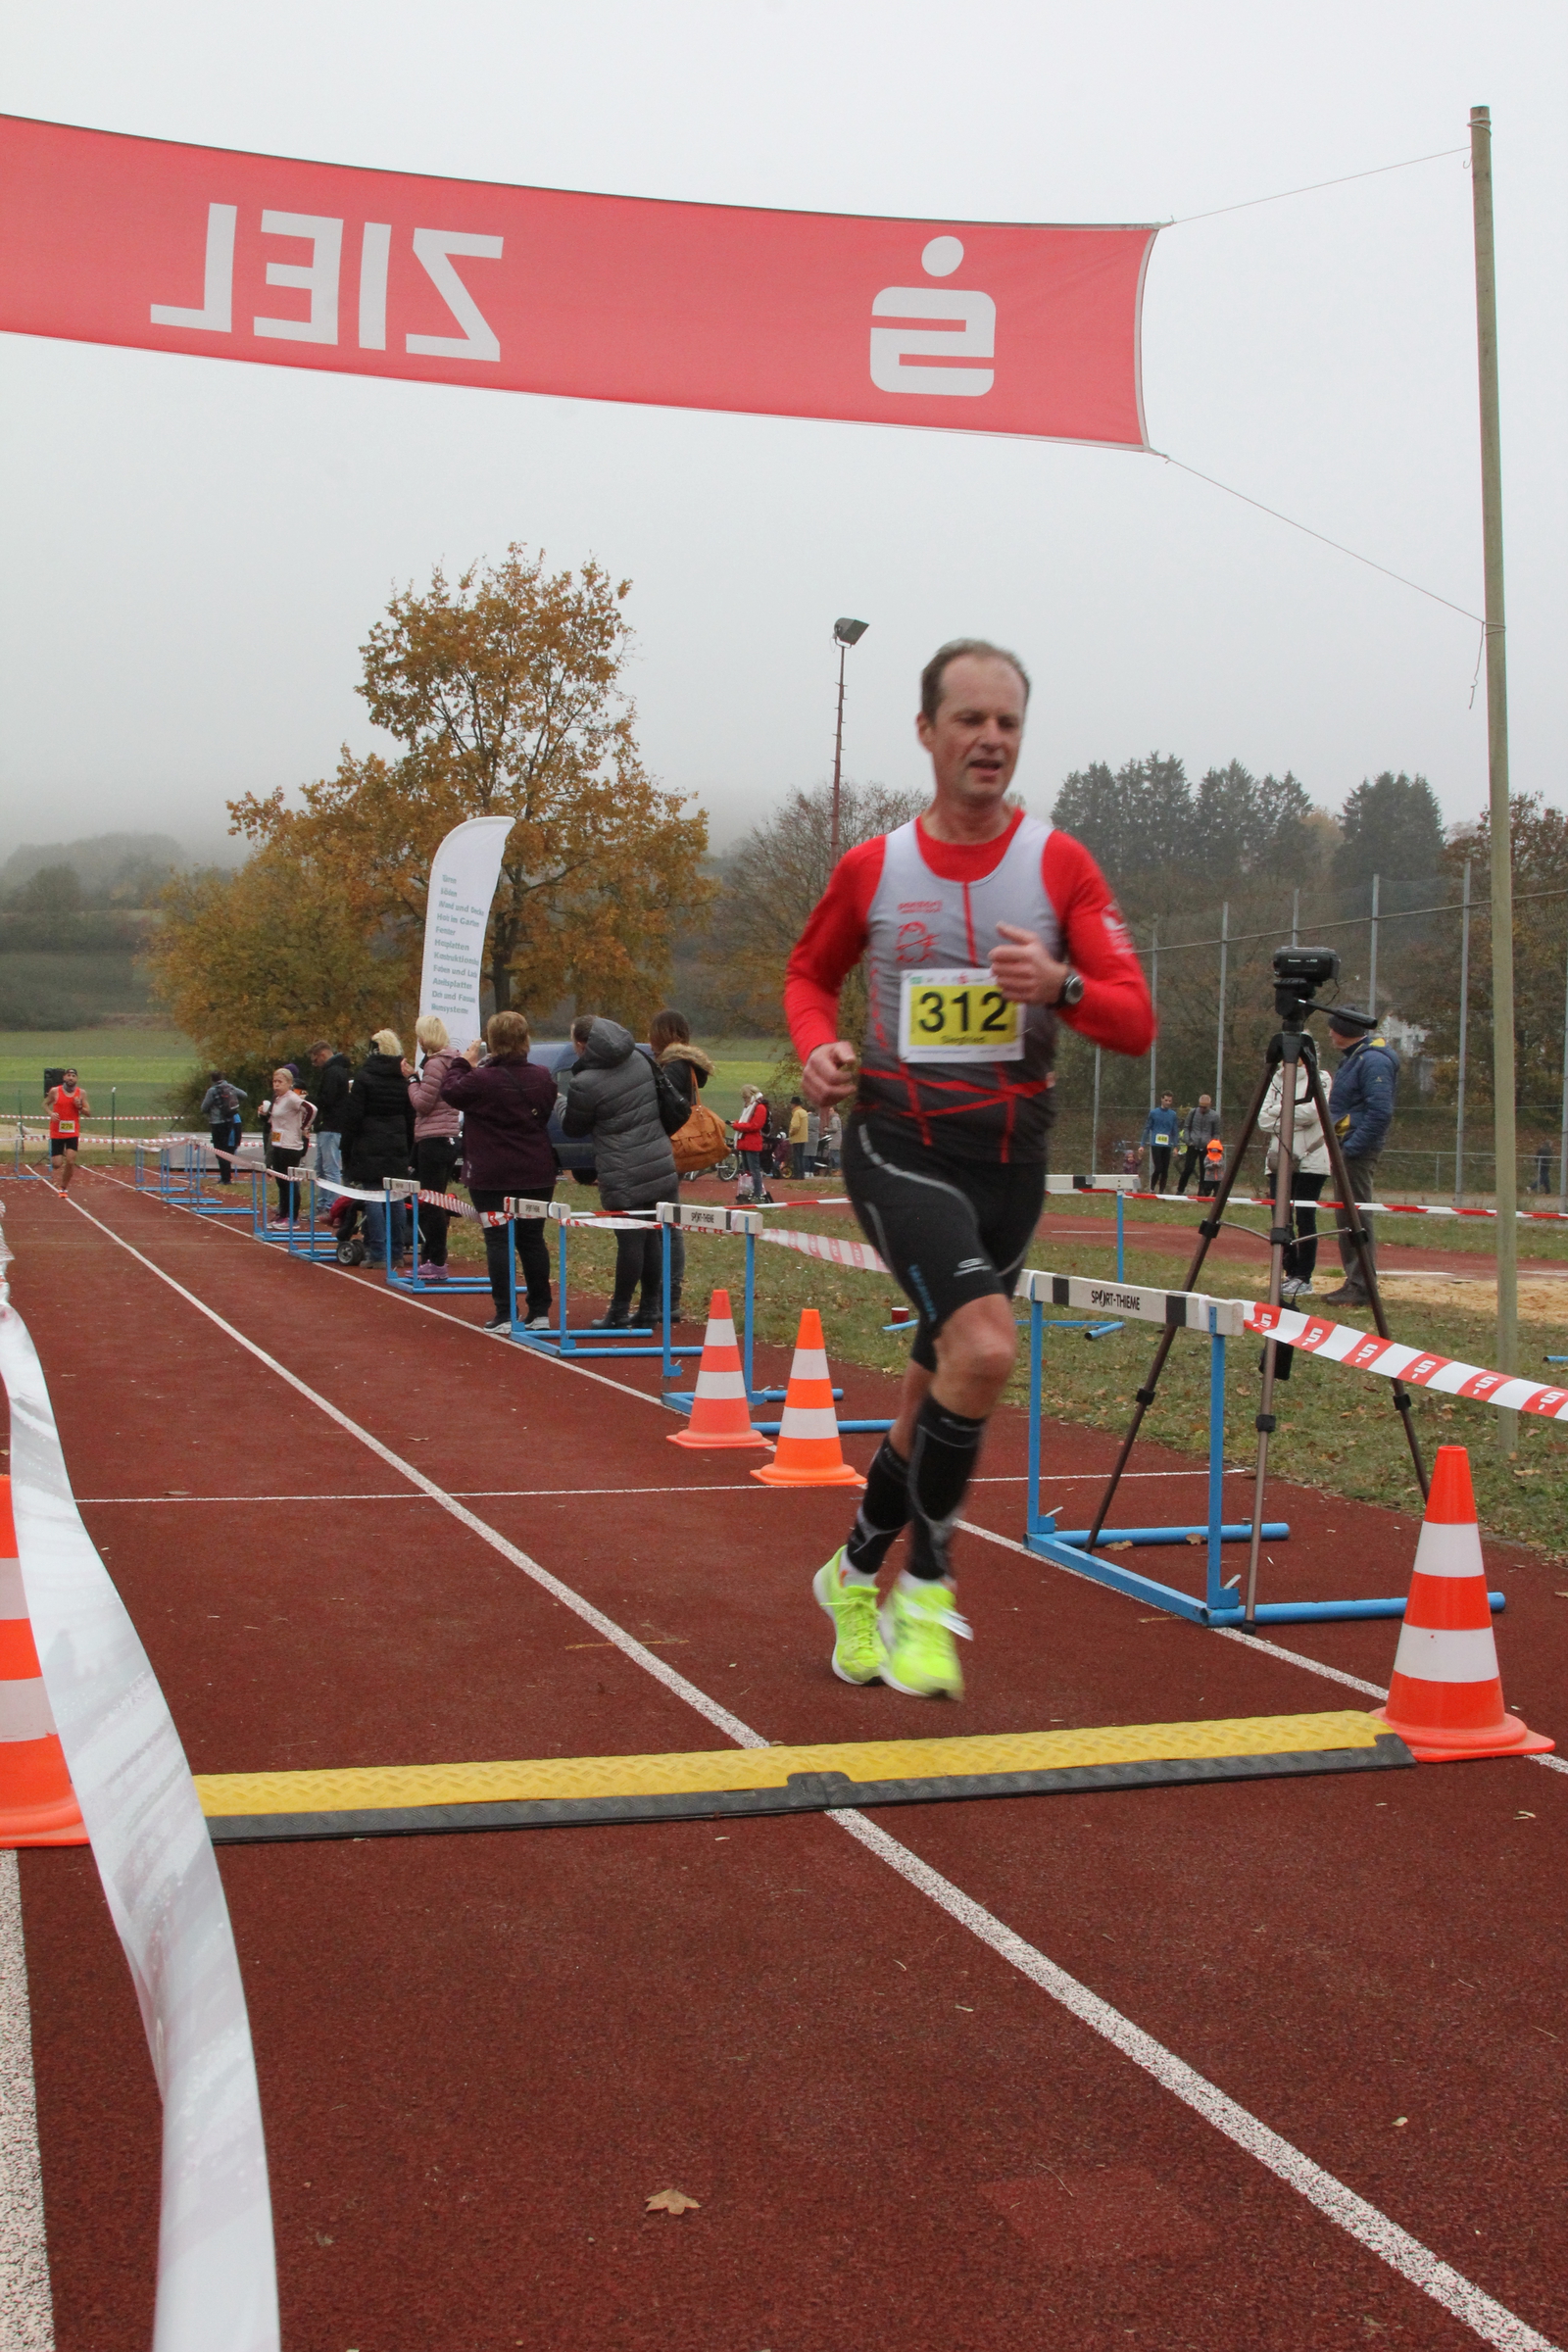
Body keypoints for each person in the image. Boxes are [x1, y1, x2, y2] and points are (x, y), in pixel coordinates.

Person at [788, 636, 1153, 1698]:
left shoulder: (1059, 865)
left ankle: (852, 1572)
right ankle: (926, 1590)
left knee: (938, 1387)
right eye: (969, 720)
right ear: (927, 732)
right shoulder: (873, 867)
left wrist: (1062, 986)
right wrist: (816, 1048)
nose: (990, 739)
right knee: (986, 1348)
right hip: (899, 1146)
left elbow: (1133, 1020)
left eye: (1007, 723)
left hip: (1011, 1165)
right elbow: (809, 975)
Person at [440, 1012, 557, 1329]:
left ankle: (505, 1312)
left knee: (498, 1239)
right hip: (535, 1170)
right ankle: (540, 1312)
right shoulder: (543, 1076)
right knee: (532, 1239)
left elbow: (450, 1092)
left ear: (492, 1041)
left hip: (492, 1173)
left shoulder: (481, 1080)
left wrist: (462, 1063)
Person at [562, 1014, 677, 1329]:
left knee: (629, 1240)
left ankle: (618, 1310)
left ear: (582, 1045)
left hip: (622, 1167)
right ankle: (649, 1307)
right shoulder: (638, 1058)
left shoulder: (585, 1083)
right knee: (651, 1236)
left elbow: (573, 1127)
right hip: (658, 1158)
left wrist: (559, 1103)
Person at [1321, 1005, 1399, 1307]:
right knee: (1347, 1215)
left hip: (1356, 1150)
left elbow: (1380, 1112)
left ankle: (1361, 1285)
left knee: (1356, 1216)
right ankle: (1354, 1281)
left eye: (1333, 1027)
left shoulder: (1372, 1061)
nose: (1329, 1033)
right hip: (1347, 1146)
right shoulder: (1356, 1058)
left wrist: (1352, 1147)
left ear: (1344, 1030)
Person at [650, 1008, 715, 1321]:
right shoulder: (685, 1066)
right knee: (667, 1221)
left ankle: (667, 1296)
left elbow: (667, 1109)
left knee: (665, 1224)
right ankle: (667, 1296)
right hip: (674, 1152)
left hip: (667, 1149)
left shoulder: (673, 1067)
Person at [340, 1030, 415, 1267]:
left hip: (369, 1142)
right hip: (397, 1142)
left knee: (373, 1196)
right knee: (396, 1198)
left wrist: (347, 1149)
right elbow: (411, 1115)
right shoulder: (403, 1079)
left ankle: (378, 1253)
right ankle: (397, 1253)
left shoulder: (364, 1077)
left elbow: (353, 1117)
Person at [1258, 1055, 1330, 1300]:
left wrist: (1279, 1114)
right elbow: (1263, 1119)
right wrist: (1290, 1117)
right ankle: (1289, 1271)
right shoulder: (1276, 1079)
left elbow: (1313, 1113)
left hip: (1312, 1158)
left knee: (1305, 1217)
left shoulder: (1321, 1078)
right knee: (1280, 1217)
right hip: (1279, 1158)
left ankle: (1304, 1276)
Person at [403, 1016, 466, 1281]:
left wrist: (411, 1080)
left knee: (431, 1203)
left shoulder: (435, 1064)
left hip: (433, 1138)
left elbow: (422, 1103)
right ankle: (431, 1258)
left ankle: (436, 1260)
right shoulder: (453, 1061)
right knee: (434, 1200)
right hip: (447, 1136)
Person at [257, 1067, 317, 1226]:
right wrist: (264, 1114)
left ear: (289, 1083)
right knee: (281, 1182)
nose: (276, 1085)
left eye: (280, 1082)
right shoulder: (278, 1099)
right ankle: (282, 1215)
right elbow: (274, 1120)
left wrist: (304, 1127)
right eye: (274, 1082)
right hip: (278, 1143)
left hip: (290, 1145)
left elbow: (311, 1109)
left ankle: (292, 1217)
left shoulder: (291, 1098)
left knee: (289, 1182)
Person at [309, 1041, 352, 1191]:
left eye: (315, 1060)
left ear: (322, 1055)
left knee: (330, 1170)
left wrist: (308, 1099)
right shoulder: (339, 1071)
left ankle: (332, 1202)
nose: (315, 1065)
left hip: (331, 1126)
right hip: (330, 1126)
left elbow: (327, 1099)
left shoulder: (332, 1073)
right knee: (321, 1170)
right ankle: (324, 1202)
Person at [45, 1068, 89, 1192]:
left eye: (73, 1076)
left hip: (72, 1132)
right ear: (64, 1077)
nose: (71, 1078)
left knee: (70, 1161)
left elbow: (88, 1112)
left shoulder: (81, 1093)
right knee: (57, 1164)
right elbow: (44, 1104)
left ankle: (63, 1186)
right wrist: (51, 1113)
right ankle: (59, 1156)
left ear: (77, 1079)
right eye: (68, 1075)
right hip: (57, 1132)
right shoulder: (55, 1091)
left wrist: (79, 1107)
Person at [200, 1071, 246, 1185]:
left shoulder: (212, 1091)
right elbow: (244, 1095)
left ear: (212, 1079)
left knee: (220, 1150)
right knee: (228, 1149)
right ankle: (227, 1177)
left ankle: (225, 1178)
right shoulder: (230, 1087)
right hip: (231, 1122)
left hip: (217, 1123)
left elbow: (204, 1108)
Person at [1173, 1095, 1217, 1195]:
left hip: (1206, 1147)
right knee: (1188, 1168)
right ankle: (1180, 1190)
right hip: (1193, 1145)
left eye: (1205, 1107)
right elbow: (1186, 1127)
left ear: (1210, 1105)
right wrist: (1188, 1141)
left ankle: (1202, 1192)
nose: (1202, 1109)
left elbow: (1216, 1133)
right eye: (1201, 1106)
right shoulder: (1193, 1113)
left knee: (1204, 1170)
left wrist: (1212, 1145)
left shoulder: (1214, 1116)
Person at [733, 1085, 770, 1202]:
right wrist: (737, 1123)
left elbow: (755, 1125)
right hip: (745, 1143)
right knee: (747, 1172)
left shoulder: (760, 1108)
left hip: (752, 1143)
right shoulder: (750, 1107)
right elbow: (747, 1123)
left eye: (745, 1097)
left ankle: (757, 1193)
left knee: (755, 1171)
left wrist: (737, 1126)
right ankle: (748, 1192)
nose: (744, 1100)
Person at [1139, 1093, 1179, 1193]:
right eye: (1166, 1100)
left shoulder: (1173, 1115)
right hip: (1156, 1144)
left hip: (1167, 1145)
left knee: (1165, 1169)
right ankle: (1152, 1188)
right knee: (1158, 1168)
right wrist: (1142, 1145)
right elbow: (1147, 1129)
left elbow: (1175, 1131)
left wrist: (1175, 1146)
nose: (1168, 1103)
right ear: (1161, 1099)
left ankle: (1161, 1191)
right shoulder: (1154, 1113)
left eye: (1170, 1101)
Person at [787, 1096, 808, 1180]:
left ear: (794, 1104)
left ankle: (797, 1174)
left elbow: (795, 1126)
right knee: (801, 1156)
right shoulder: (804, 1112)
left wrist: (790, 1133)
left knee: (796, 1157)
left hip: (796, 1137)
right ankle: (802, 1174)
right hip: (804, 1137)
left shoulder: (796, 1113)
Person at [1198, 1132, 1225, 1197]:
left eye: (1216, 1150)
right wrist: (1212, 1165)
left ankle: (1215, 1199)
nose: (1214, 1151)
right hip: (1209, 1178)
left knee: (1218, 1192)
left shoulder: (1220, 1157)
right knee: (1207, 1190)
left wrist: (1217, 1165)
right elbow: (1205, 1165)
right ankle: (1205, 1197)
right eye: (1213, 1150)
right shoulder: (1208, 1156)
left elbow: (1222, 1164)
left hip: (1218, 1178)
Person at [823, 1106, 843, 1174]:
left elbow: (835, 1129)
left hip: (835, 1140)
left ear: (834, 1111)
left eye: (831, 1110)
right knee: (835, 1155)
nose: (829, 1112)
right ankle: (835, 1171)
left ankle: (838, 1170)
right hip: (837, 1140)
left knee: (835, 1155)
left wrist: (827, 1129)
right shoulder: (837, 1118)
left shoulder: (834, 1119)